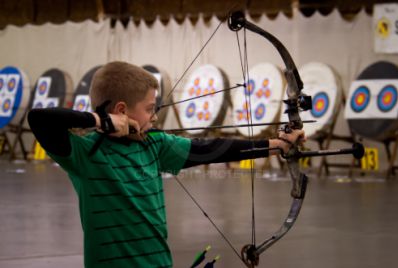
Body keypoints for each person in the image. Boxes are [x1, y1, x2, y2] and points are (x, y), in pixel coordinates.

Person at [28, 61, 305, 268]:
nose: (155, 118)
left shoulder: (155, 146)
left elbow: (209, 150)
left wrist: (275, 144)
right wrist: (101, 121)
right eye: (150, 109)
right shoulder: (85, 153)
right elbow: (40, 119)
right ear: (122, 111)